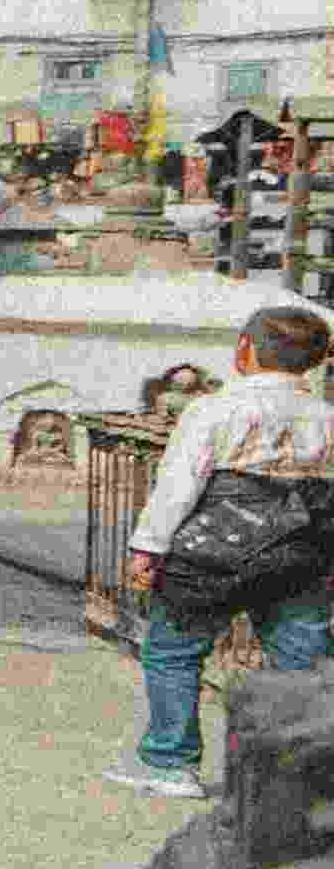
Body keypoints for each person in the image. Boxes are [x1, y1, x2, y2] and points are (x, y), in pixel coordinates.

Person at [112, 300, 334, 802]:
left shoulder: (215, 409)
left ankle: (171, 762)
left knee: (173, 652)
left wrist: (147, 549)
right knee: (301, 665)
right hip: (300, 553)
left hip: (211, 554)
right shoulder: (326, 416)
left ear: (245, 352)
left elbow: (178, 486)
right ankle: (295, 780)